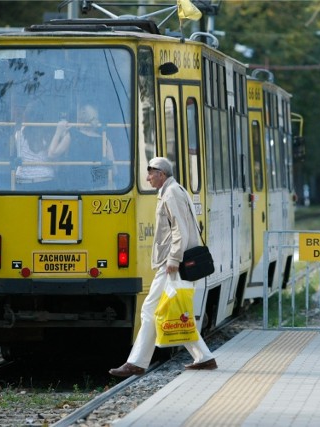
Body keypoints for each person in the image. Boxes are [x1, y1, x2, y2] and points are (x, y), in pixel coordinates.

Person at [109, 157, 217, 378]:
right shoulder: (172, 190)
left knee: (151, 309)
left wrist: (173, 260)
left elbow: (180, 230)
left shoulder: (171, 193)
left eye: (150, 173)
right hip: (173, 263)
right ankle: (204, 357)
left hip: (173, 264)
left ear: (161, 174)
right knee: (176, 312)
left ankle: (136, 363)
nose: (147, 178)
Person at [56, 104, 115, 190]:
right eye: (96, 118)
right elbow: (114, 170)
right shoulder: (104, 139)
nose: (98, 121)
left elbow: (54, 154)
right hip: (99, 186)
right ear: (92, 120)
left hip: (76, 185)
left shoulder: (71, 136)